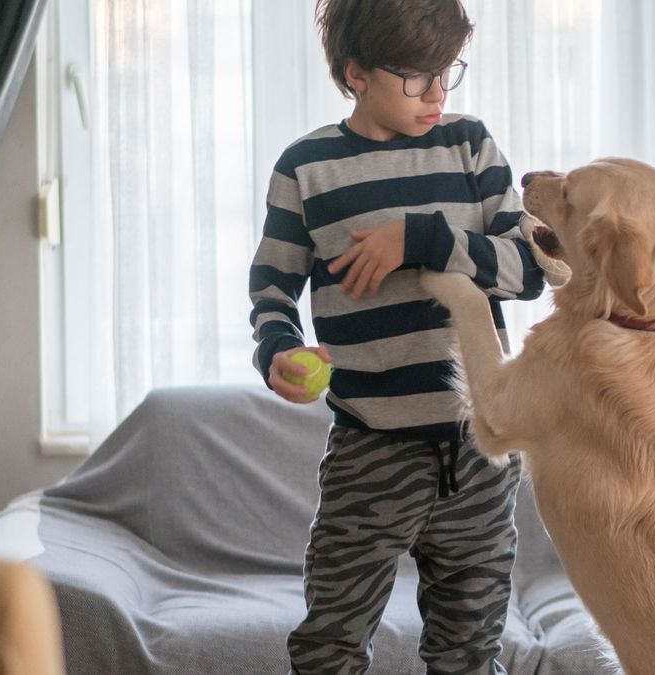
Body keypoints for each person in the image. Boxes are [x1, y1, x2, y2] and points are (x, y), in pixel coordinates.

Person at [247, 1, 544, 672]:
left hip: (481, 453)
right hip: (370, 450)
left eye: (448, 72)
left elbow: (528, 271)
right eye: (416, 77)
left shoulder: (470, 145)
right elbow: (270, 288)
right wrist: (279, 350)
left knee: (470, 654)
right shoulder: (307, 169)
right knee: (329, 647)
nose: (437, 94)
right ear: (356, 72)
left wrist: (422, 237)